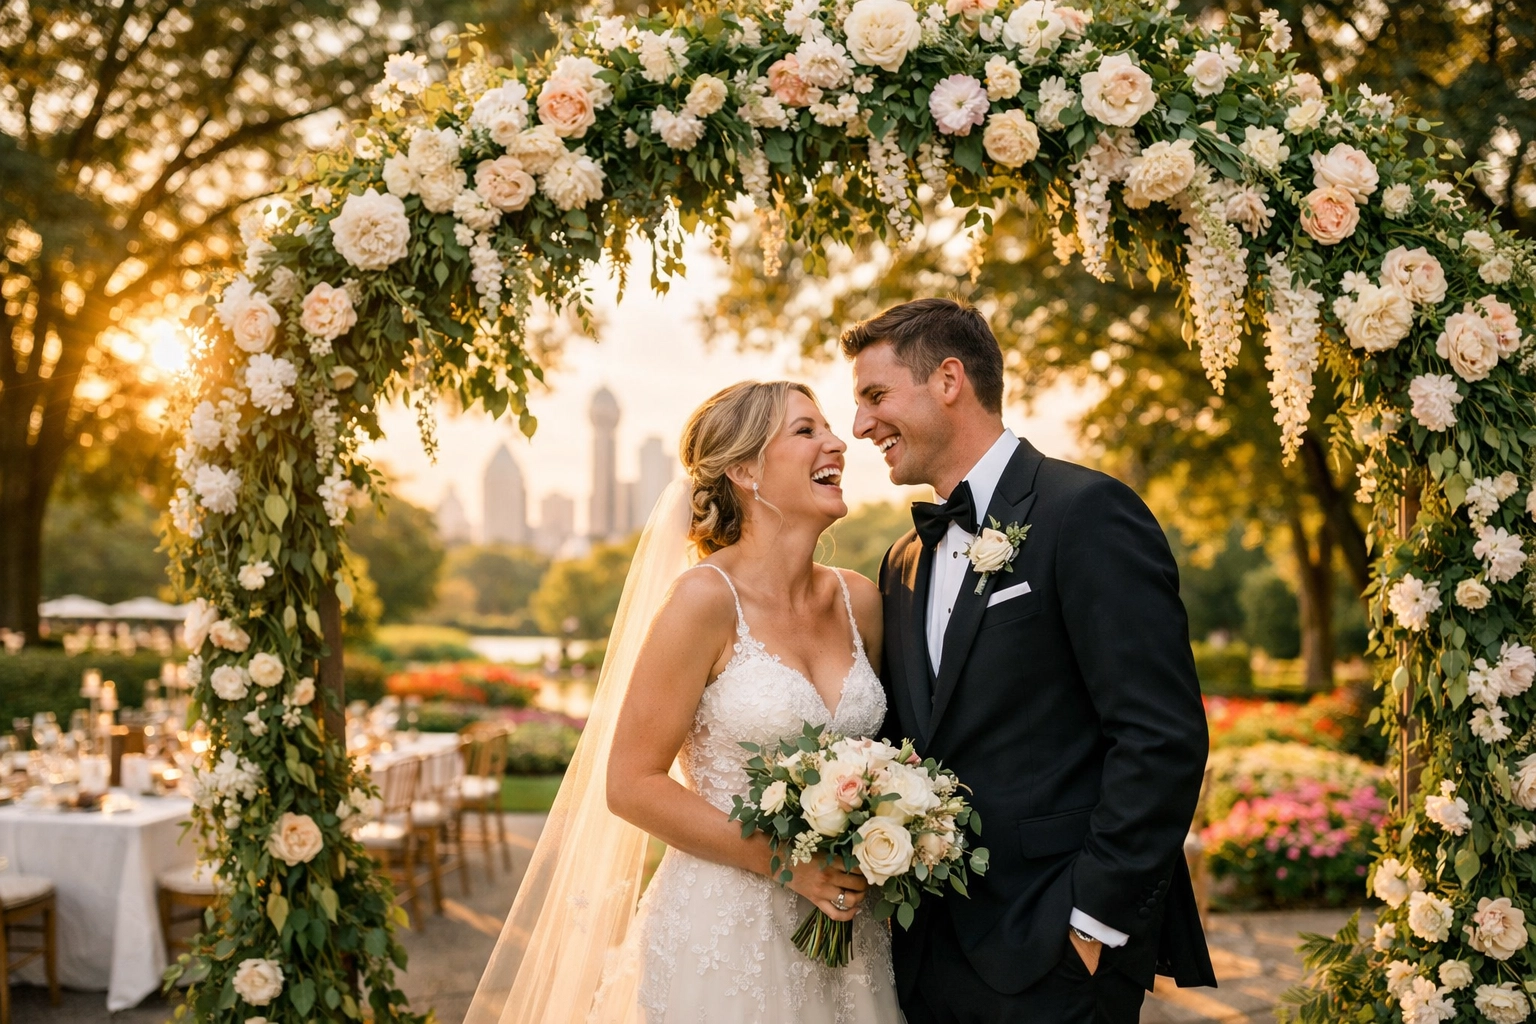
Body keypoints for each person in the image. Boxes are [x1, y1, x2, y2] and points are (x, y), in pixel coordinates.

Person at [463, 380, 903, 1024]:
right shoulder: (702, 601)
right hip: (727, 933)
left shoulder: (859, 599)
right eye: (806, 431)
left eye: (828, 428)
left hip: (851, 935)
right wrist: (788, 864)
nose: (838, 442)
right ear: (745, 471)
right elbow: (631, 783)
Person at [843, 297, 1216, 1024]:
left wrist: (1091, 925)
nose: (861, 425)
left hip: (1055, 957)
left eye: (875, 396)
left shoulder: (1088, 512)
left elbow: (1159, 738)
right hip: (926, 957)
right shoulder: (901, 560)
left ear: (949, 380)